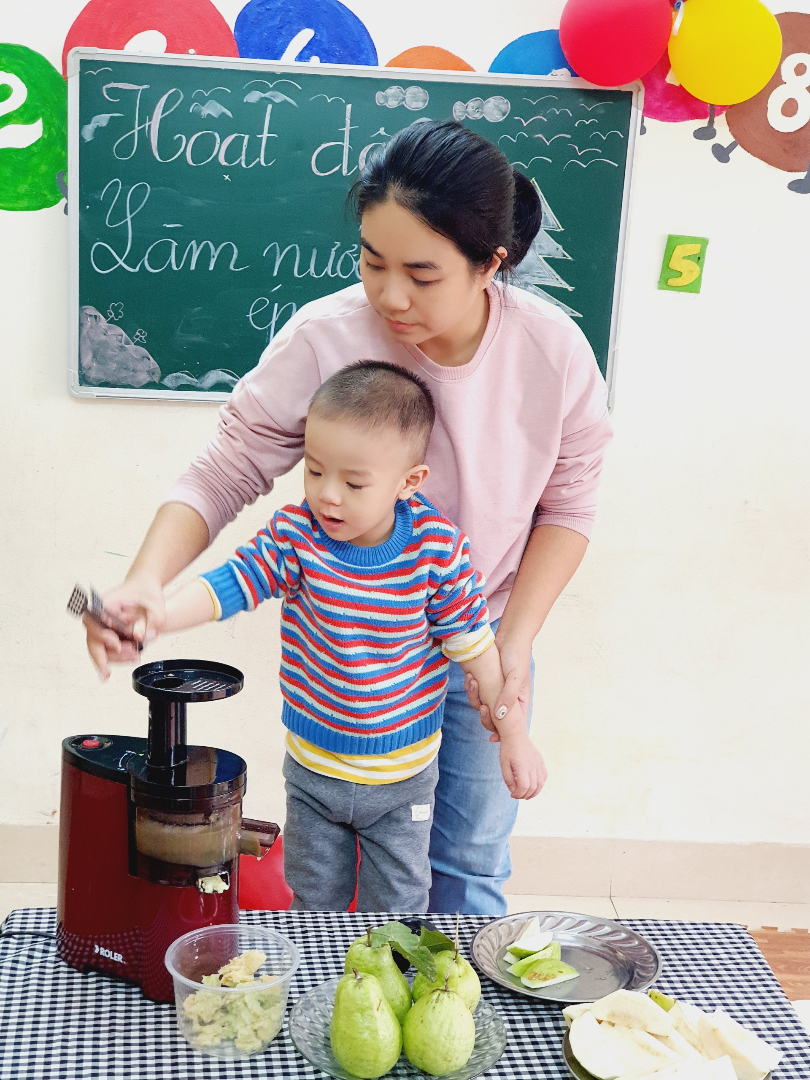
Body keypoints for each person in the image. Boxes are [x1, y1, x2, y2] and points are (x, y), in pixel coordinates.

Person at [86, 120, 613, 916]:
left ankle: (449, 999)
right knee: (335, 882)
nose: (391, 296)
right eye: (372, 261)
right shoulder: (324, 336)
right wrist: (145, 585)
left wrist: (511, 644)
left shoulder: (554, 351)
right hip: (352, 659)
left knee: (468, 866)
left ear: (490, 264)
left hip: (481, 634)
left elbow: (569, 507)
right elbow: (226, 469)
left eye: (423, 274)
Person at [149, 361, 544, 912]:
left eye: (354, 483)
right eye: (314, 472)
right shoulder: (297, 535)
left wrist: (515, 736)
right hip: (313, 772)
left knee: (399, 909)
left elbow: (476, 650)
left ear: (409, 482)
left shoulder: (435, 550)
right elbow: (232, 583)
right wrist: (157, 615)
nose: (328, 496)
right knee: (314, 903)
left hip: (404, 780)